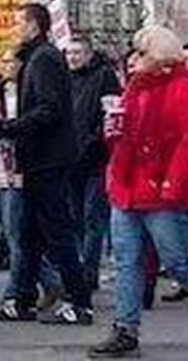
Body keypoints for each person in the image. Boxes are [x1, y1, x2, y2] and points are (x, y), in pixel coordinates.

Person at [88, 26, 188, 359]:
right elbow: (122, 140)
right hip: (128, 185)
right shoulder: (134, 88)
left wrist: (172, 183)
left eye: (141, 53)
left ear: (158, 56)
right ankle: (125, 330)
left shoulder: (182, 88)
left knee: (178, 262)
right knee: (128, 261)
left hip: (160, 190)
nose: (133, 60)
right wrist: (111, 131)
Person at [0, 3, 93, 326]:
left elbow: (50, 109)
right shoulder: (36, 58)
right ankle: (21, 299)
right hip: (40, 158)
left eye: (18, 23)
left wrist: (13, 127)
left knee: (57, 232)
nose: (14, 29)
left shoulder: (44, 59)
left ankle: (80, 302)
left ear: (35, 26)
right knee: (30, 232)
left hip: (48, 159)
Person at [64, 34, 120, 292]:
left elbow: (110, 116)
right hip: (70, 159)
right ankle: (76, 269)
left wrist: (92, 141)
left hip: (96, 158)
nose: (72, 58)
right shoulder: (66, 79)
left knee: (93, 219)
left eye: (77, 53)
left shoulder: (104, 76)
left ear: (88, 54)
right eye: (69, 53)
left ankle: (89, 273)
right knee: (74, 218)